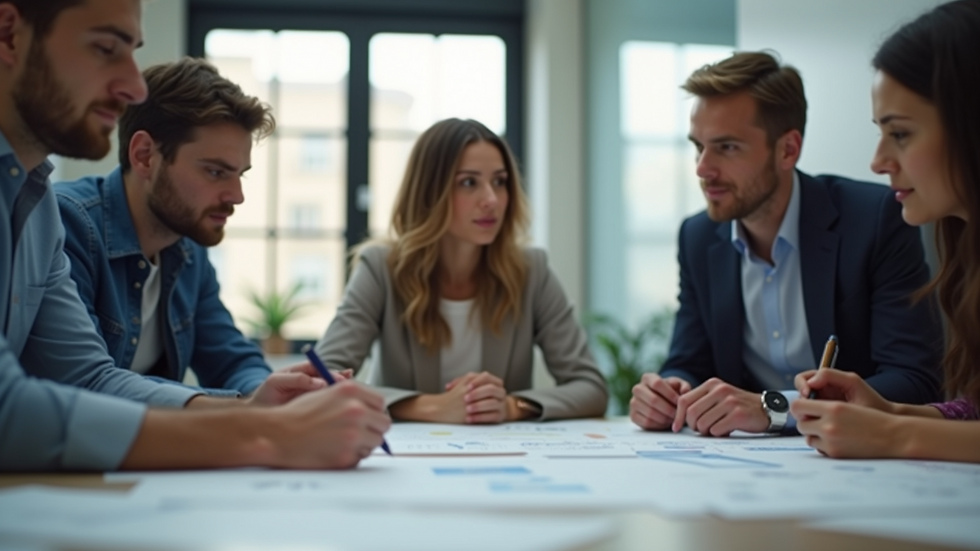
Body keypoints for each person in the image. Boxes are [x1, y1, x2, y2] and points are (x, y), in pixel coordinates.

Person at [0, 0, 389, 471]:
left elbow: (95, 375)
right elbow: (40, 401)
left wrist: (263, 402)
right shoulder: (69, 218)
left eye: (240, 173)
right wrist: (258, 428)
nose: (132, 85)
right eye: (106, 48)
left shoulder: (42, 204)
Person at [629, 51, 944, 437]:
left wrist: (775, 409)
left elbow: (914, 380)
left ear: (788, 150)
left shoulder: (875, 219)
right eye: (698, 146)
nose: (702, 168)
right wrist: (671, 391)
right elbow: (688, 362)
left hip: (849, 460)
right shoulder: (697, 238)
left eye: (726, 148)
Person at [54, 57, 327, 402]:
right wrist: (245, 407)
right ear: (145, 156)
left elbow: (231, 361)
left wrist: (273, 393)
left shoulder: (186, 249)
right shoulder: (67, 224)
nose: (237, 196)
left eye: (239, 174)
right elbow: (85, 384)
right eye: (215, 172)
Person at [313, 118, 608, 423]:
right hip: (406, 462)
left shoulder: (531, 270)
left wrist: (510, 406)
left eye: (500, 181)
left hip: (504, 459)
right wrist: (429, 406)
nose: (491, 200)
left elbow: (591, 387)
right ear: (429, 193)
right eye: (469, 183)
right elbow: (321, 378)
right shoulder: (381, 268)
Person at [791, 0, 980, 462]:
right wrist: (888, 412)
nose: (877, 162)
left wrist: (893, 436)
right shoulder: (966, 255)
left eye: (900, 134)